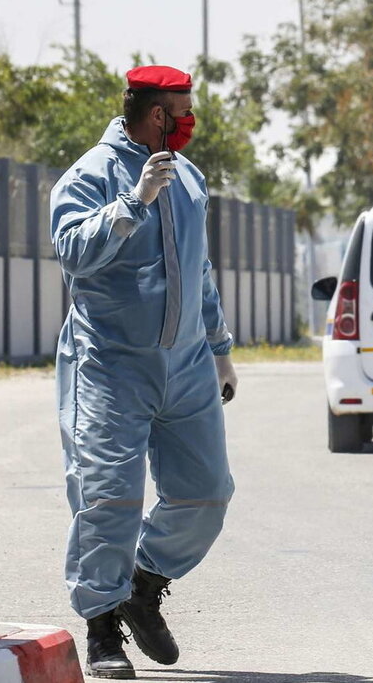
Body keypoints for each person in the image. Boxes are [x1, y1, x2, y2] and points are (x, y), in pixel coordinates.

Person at [50, 65, 238, 679]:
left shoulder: (188, 178)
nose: (190, 121)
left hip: (185, 366)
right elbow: (73, 253)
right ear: (157, 113)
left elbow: (199, 270)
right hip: (111, 367)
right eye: (183, 109)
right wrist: (133, 204)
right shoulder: (89, 176)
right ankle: (102, 626)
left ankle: (142, 583)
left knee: (207, 493)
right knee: (109, 499)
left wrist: (219, 348)